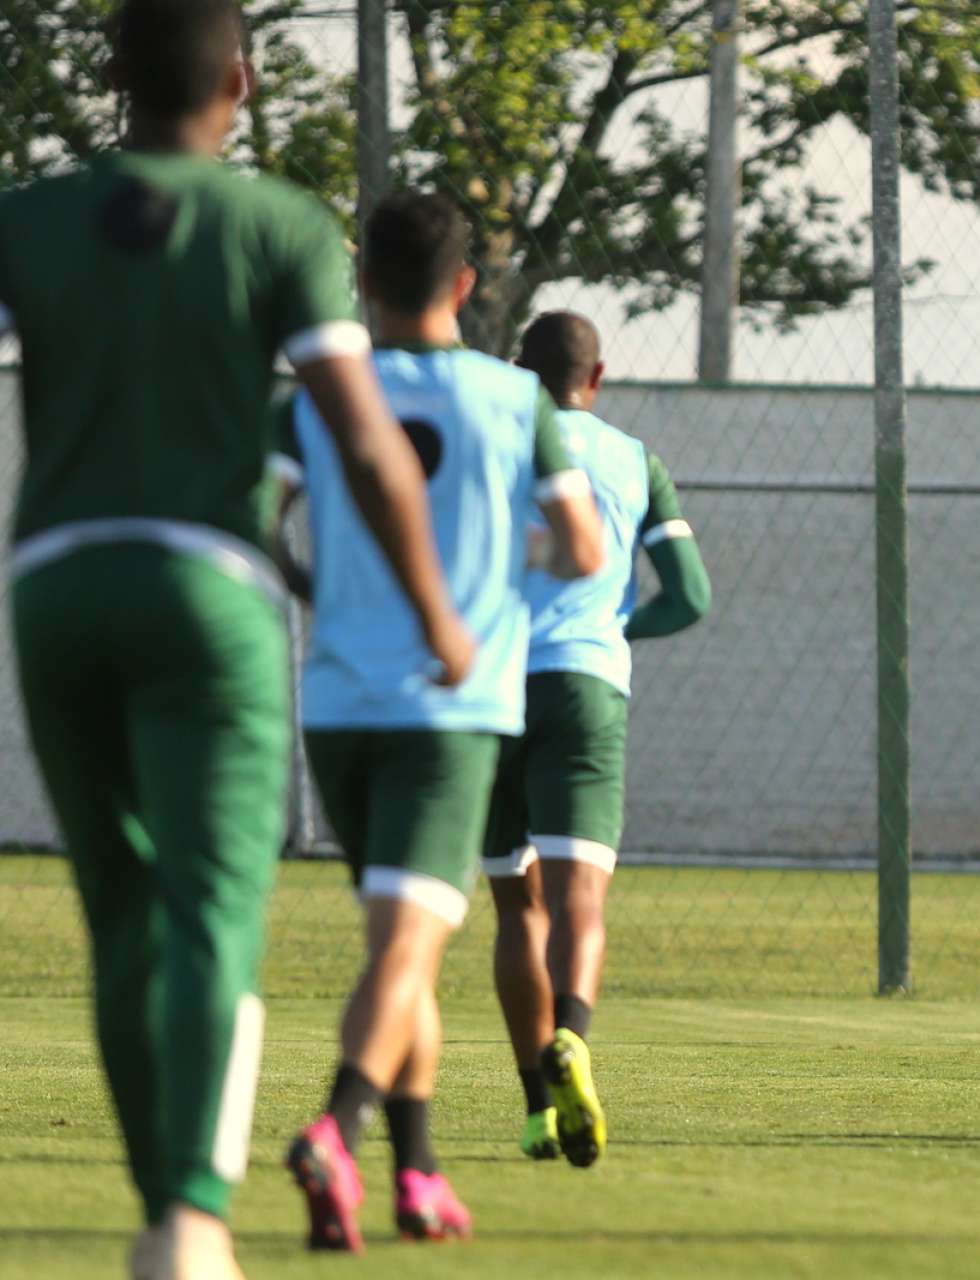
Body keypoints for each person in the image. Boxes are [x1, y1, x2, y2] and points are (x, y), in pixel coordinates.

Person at [0, 2, 467, 1275]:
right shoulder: (280, 225)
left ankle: (162, 1199)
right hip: (209, 590)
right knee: (211, 911)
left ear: (107, 76)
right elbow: (366, 439)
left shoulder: (28, 214)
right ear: (245, 83)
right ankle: (189, 1222)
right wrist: (437, 613)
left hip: (53, 588)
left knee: (119, 914)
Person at [271, 192, 604, 1253]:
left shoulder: (318, 394)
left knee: (398, 943)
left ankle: (416, 1175)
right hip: (451, 707)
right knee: (408, 943)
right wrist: (509, 564)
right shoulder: (516, 401)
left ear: (361, 280)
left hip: (334, 702)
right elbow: (586, 549)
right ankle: (338, 1127)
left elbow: (254, 514)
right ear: (468, 287)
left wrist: (319, 588)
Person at [482, 311, 712, 1168]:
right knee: (580, 897)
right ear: (598, 376)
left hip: (493, 685)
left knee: (515, 901)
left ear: (519, 372)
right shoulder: (633, 458)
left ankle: (538, 1110)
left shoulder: (496, 441)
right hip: (585, 685)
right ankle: (571, 1035)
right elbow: (688, 595)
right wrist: (613, 629)